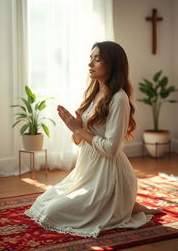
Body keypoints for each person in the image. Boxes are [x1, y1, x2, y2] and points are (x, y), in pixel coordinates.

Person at [25, 41, 160, 238]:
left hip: (109, 176)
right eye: (90, 58)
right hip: (87, 171)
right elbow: (80, 142)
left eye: (97, 59)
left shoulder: (119, 99)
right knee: (43, 203)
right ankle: (130, 206)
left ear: (112, 65)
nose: (90, 63)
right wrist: (76, 129)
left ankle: (124, 203)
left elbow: (111, 149)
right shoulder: (95, 94)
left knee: (53, 213)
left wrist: (79, 129)